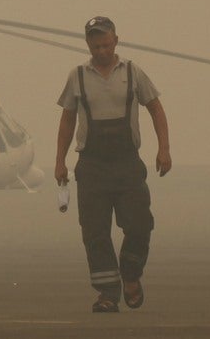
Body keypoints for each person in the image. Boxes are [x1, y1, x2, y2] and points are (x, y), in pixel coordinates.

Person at [54, 16, 172, 313]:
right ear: (88, 45)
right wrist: (60, 161)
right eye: (96, 46)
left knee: (139, 224)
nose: (102, 51)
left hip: (127, 164)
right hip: (91, 166)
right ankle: (108, 293)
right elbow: (67, 120)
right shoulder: (77, 76)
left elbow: (156, 108)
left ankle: (131, 275)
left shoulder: (132, 72)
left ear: (116, 41)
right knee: (94, 232)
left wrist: (164, 149)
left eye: (106, 44)